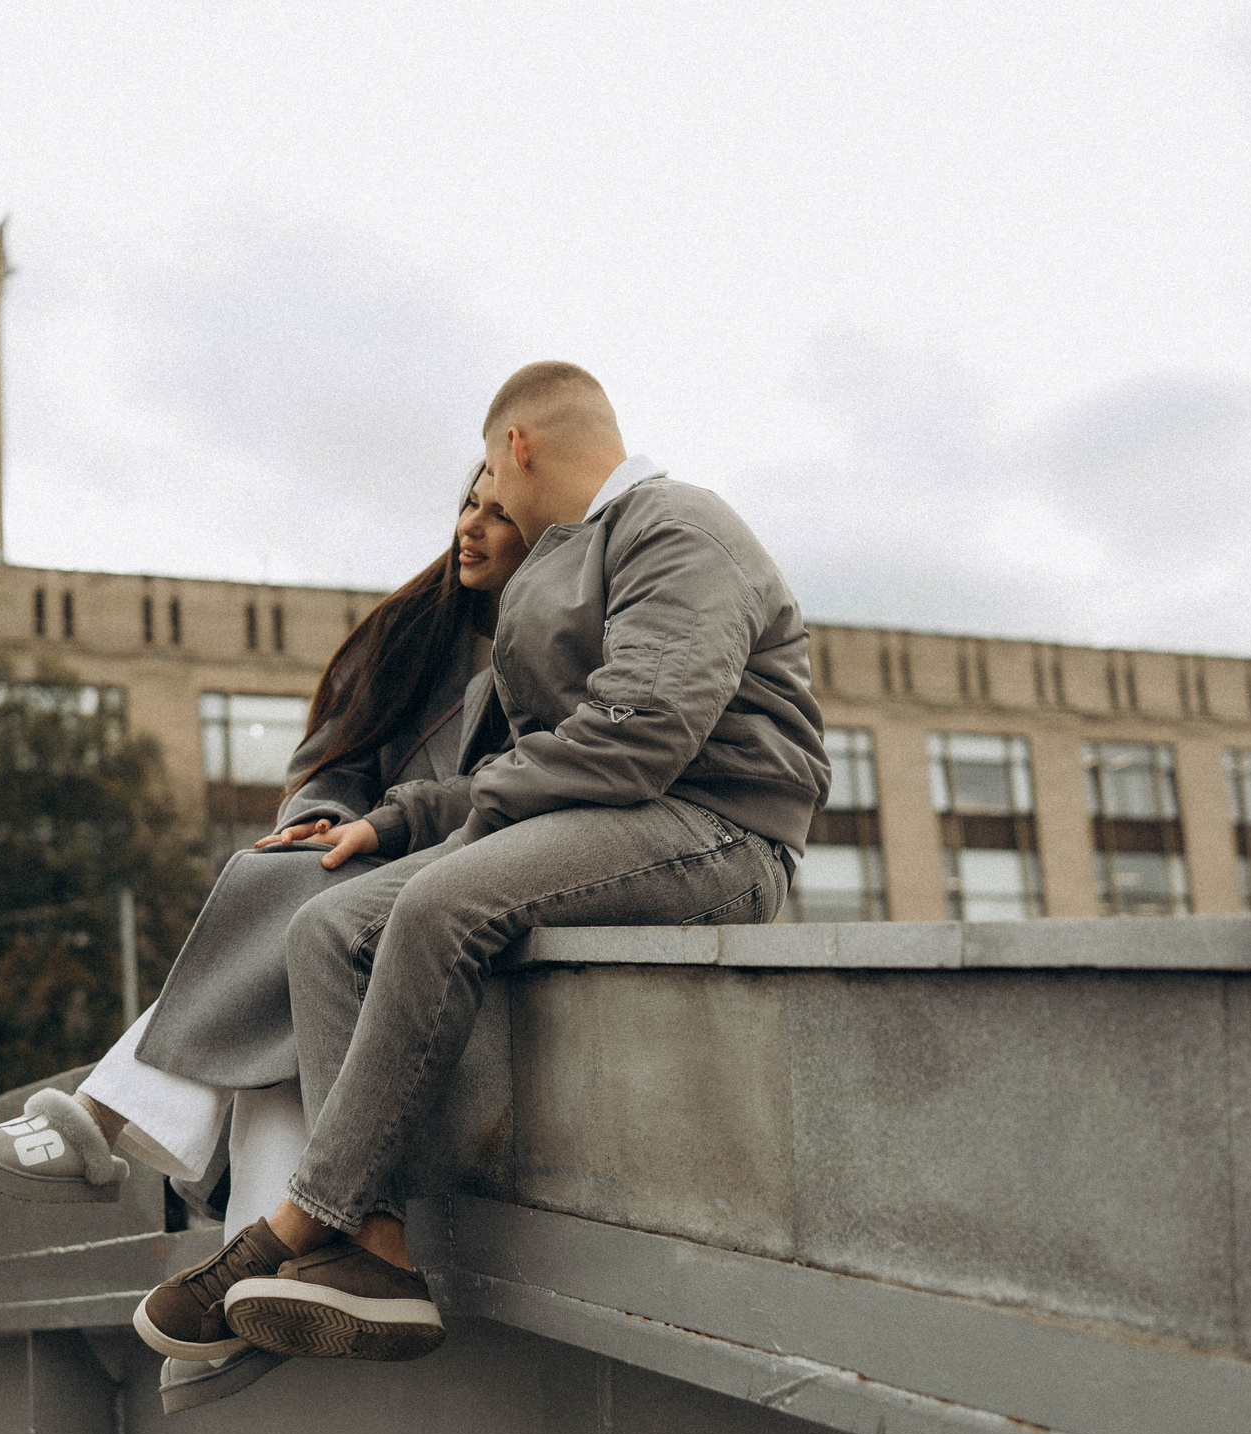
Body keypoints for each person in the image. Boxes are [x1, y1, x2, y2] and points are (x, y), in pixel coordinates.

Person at [135, 360, 830, 1367]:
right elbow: (547, 761)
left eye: (490, 478)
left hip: (719, 827)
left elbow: (637, 736)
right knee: (327, 927)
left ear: (518, 446)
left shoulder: (678, 526)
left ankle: (296, 1222)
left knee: (440, 904)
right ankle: (375, 1249)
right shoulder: (570, 561)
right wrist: (400, 820)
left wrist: (458, 829)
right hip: (613, 816)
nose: (487, 499)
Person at [0, 462, 532, 1407]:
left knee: (308, 913)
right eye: (468, 502)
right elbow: (334, 759)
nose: (471, 526)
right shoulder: (412, 632)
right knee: (295, 905)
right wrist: (323, 815)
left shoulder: (555, 642)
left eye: (500, 513)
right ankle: (250, 1277)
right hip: (366, 875)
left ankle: (109, 1121)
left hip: (465, 879)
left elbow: (528, 790)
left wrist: (385, 828)